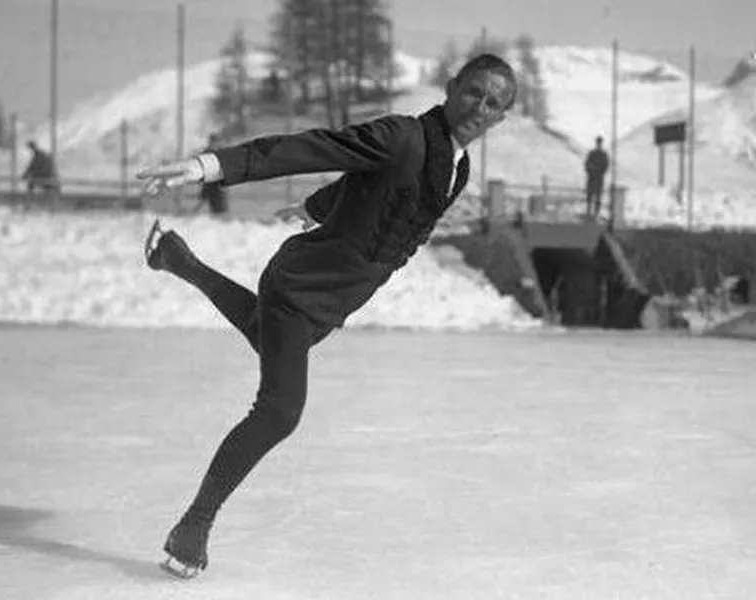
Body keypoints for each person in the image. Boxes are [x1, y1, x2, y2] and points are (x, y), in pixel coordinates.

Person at [137, 53, 517, 579]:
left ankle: (179, 260)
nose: (481, 106)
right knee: (279, 410)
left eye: (495, 102)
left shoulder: (457, 168)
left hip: (332, 300)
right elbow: (314, 148)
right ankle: (193, 527)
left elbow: (368, 187)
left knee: (261, 332)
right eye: (474, 91)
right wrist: (212, 165)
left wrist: (313, 208)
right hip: (300, 285)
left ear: (501, 118)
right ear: (451, 87)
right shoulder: (404, 136)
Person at [584, 135, 609, 218]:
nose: (599, 144)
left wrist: (598, 172)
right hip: (592, 178)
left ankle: (596, 214)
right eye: (598, 142)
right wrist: (592, 171)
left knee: (598, 197)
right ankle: (589, 212)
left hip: (598, 179)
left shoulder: (603, 155)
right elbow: (587, 165)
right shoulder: (592, 154)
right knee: (589, 197)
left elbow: (605, 166)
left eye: (600, 143)